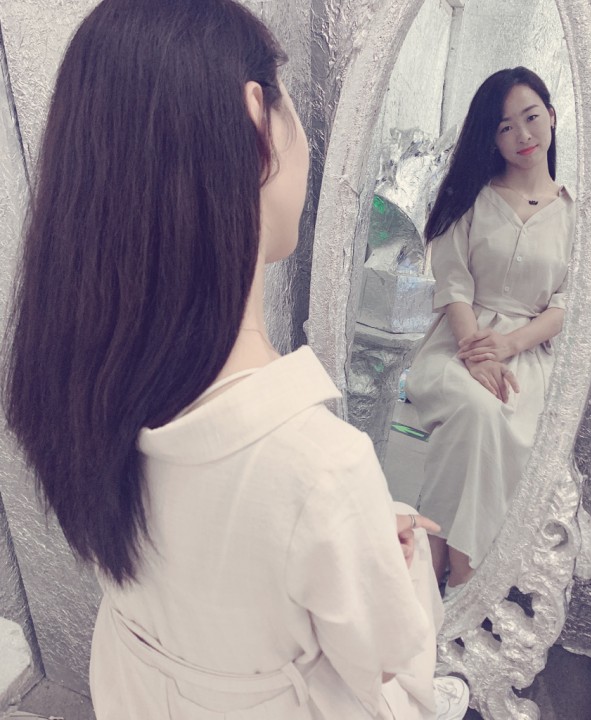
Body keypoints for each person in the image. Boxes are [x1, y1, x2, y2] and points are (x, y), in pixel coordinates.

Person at [2, 1, 470, 718]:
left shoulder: (71, 382)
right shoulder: (321, 468)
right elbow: (391, 673)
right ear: (258, 125)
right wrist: (391, 560)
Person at [405, 67, 576, 597]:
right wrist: (478, 354)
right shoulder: (471, 199)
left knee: (494, 422)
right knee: (476, 409)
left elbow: (568, 305)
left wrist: (510, 345)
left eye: (531, 117)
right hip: (459, 343)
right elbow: (453, 285)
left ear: (551, 117)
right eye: (505, 127)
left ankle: (432, 560)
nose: (522, 135)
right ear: (491, 138)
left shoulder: (577, 215)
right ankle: (464, 572)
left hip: (529, 358)